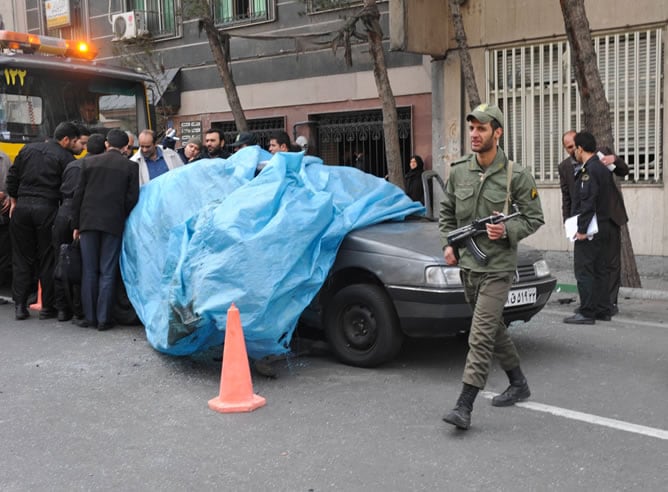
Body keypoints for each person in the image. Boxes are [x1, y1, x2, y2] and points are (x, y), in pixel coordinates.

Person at [439, 103, 544, 430]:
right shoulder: (458, 171)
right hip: (469, 267)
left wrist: (507, 230)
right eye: (472, 128)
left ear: (497, 133)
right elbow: (447, 214)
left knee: (480, 335)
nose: (474, 134)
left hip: (498, 267)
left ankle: (464, 405)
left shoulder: (517, 174)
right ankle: (518, 383)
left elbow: (534, 218)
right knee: (493, 328)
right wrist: (448, 244)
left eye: (481, 128)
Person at [6, 121, 84, 320]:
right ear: (65, 140)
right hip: (47, 208)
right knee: (48, 257)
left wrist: (15, 199)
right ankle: (48, 307)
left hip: (22, 207)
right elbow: (67, 188)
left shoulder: (27, 149)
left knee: (21, 258)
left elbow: (12, 177)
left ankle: (20, 306)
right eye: (76, 142)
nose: (80, 146)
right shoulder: (65, 157)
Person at [71, 129, 139, 330]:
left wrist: (77, 224)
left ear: (107, 144)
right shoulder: (130, 167)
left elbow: (78, 196)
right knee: (107, 271)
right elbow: (132, 198)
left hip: (88, 222)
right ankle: (103, 319)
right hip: (113, 223)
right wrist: (120, 214)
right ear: (126, 147)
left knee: (89, 270)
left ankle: (90, 317)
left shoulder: (88, 163)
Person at [558, 130, 629, 317]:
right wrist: (568, 222)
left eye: (575, 147)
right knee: (600, 267)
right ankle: (602, 308)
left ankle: (590, 309)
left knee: (588, 267)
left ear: (580, 147)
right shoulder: (569, 167)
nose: (573, 151)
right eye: (569, 148)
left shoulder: (595, 162)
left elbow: (589, 200)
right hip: (594, 221)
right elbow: (567, 197)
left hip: (597, 222)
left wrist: (581, 229)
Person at [53, 133, 106, 322]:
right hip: (82, 215)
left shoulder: (72, 164)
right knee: (81, 263)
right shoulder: (96, 167)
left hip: (63, 213)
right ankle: (79, 309)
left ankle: (61, 309)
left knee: (61, 260)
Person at [0, 150, 11, 293]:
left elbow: (12, 182)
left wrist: (9, 196)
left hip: (2, 214)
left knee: (3, 252)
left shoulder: (4, 158)